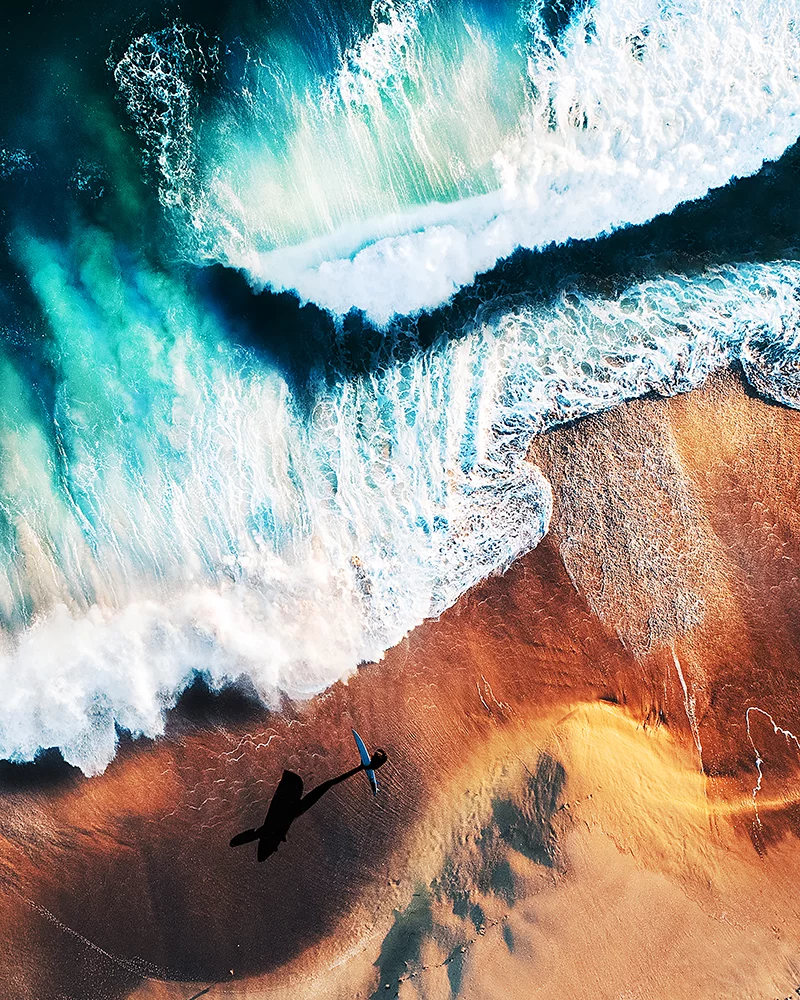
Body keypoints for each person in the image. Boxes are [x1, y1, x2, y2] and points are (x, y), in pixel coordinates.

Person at [230, 748, 388, 862]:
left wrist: (361, 768)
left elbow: (238, 842)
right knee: (325, 786)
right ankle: (363, 766)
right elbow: (328, 785)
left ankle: (363, 766)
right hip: (291, 786)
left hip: (290, 788)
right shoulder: (280, 824)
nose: (277, 847)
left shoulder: (273, 827)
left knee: (325, 785)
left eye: (274, 847)